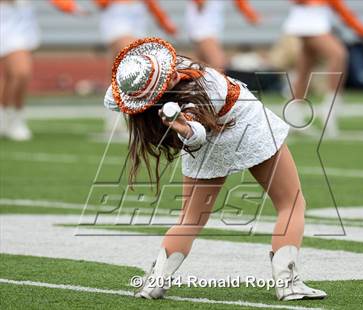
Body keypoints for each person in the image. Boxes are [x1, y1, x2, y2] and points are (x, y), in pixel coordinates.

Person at [103, 37, 328, 301]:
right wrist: (181, 125)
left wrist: (153, 102)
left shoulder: (156, 93)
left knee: (189, 220)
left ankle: (155, 282)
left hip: (213, 137)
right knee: (291, 203)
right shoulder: (199, 91)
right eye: (167, 77)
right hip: (245, 125)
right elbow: (195, 133)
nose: (172, 71)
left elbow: (115, 98)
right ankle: (288, 284)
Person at [51, 0, 177, 135]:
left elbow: (151, 4)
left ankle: (114, 119)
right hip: (117, 19)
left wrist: (165, 23)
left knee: (118, 71)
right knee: (133, 63)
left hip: (137, 18)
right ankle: (132, 118)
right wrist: (69, 6)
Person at [283, 0, 363, 136]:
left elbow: (340, 8)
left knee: (305, 68)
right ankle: (329, 107)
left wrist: (360, 29)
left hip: (313, 21)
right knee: (338, 55)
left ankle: (294, 116)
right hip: (308, 22)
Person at [0, 0, 41, 141]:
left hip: (19, 18)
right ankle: (7, 117)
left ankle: (14, 118)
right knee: (15, 74)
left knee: (18, 74)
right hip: (4, 16)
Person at [186, 0, 260, 71]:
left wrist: (250, 15)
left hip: (201, 31)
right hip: (205, 32)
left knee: (202, 69)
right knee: (218, 67)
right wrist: (251, 15)